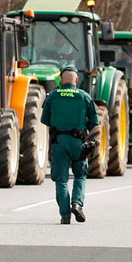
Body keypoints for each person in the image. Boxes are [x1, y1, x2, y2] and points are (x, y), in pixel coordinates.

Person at [41, 64, 99, 224]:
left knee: (62, 180)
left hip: (59, 142)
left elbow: (44, 119)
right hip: (78, 143)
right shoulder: (84, 96)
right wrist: (83, 131)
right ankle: (77, 204)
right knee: (80, 175)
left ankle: (65, 216)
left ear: (61, 79)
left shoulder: (53, 95)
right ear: (76, 80)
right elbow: (95, 121)